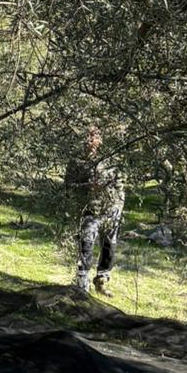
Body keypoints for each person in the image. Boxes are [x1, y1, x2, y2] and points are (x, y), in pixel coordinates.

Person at [66, 123, 125, 295]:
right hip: (89, 211)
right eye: (88, 137)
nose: (91, 140)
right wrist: (87, 186)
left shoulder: (110, 160)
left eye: (94, 136)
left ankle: (102, 280)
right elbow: (69, 186)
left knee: (109, 247)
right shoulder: (77, 161)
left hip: (110, 210)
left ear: (100, 139)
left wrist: (118, 207)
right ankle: (82, 284)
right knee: (86, 245)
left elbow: (119, 184)